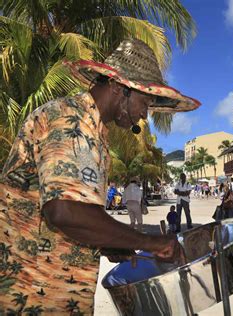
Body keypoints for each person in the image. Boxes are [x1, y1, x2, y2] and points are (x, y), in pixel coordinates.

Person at [0, 38, 199, 313]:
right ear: (118, 88)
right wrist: (147, 242)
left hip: (58, 293)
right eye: (144, 102)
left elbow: (64, 218)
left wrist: (108, 242)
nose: (144, 115)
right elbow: (64, 211)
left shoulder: (94, 131)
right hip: (29, 294)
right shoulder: (70, 119)